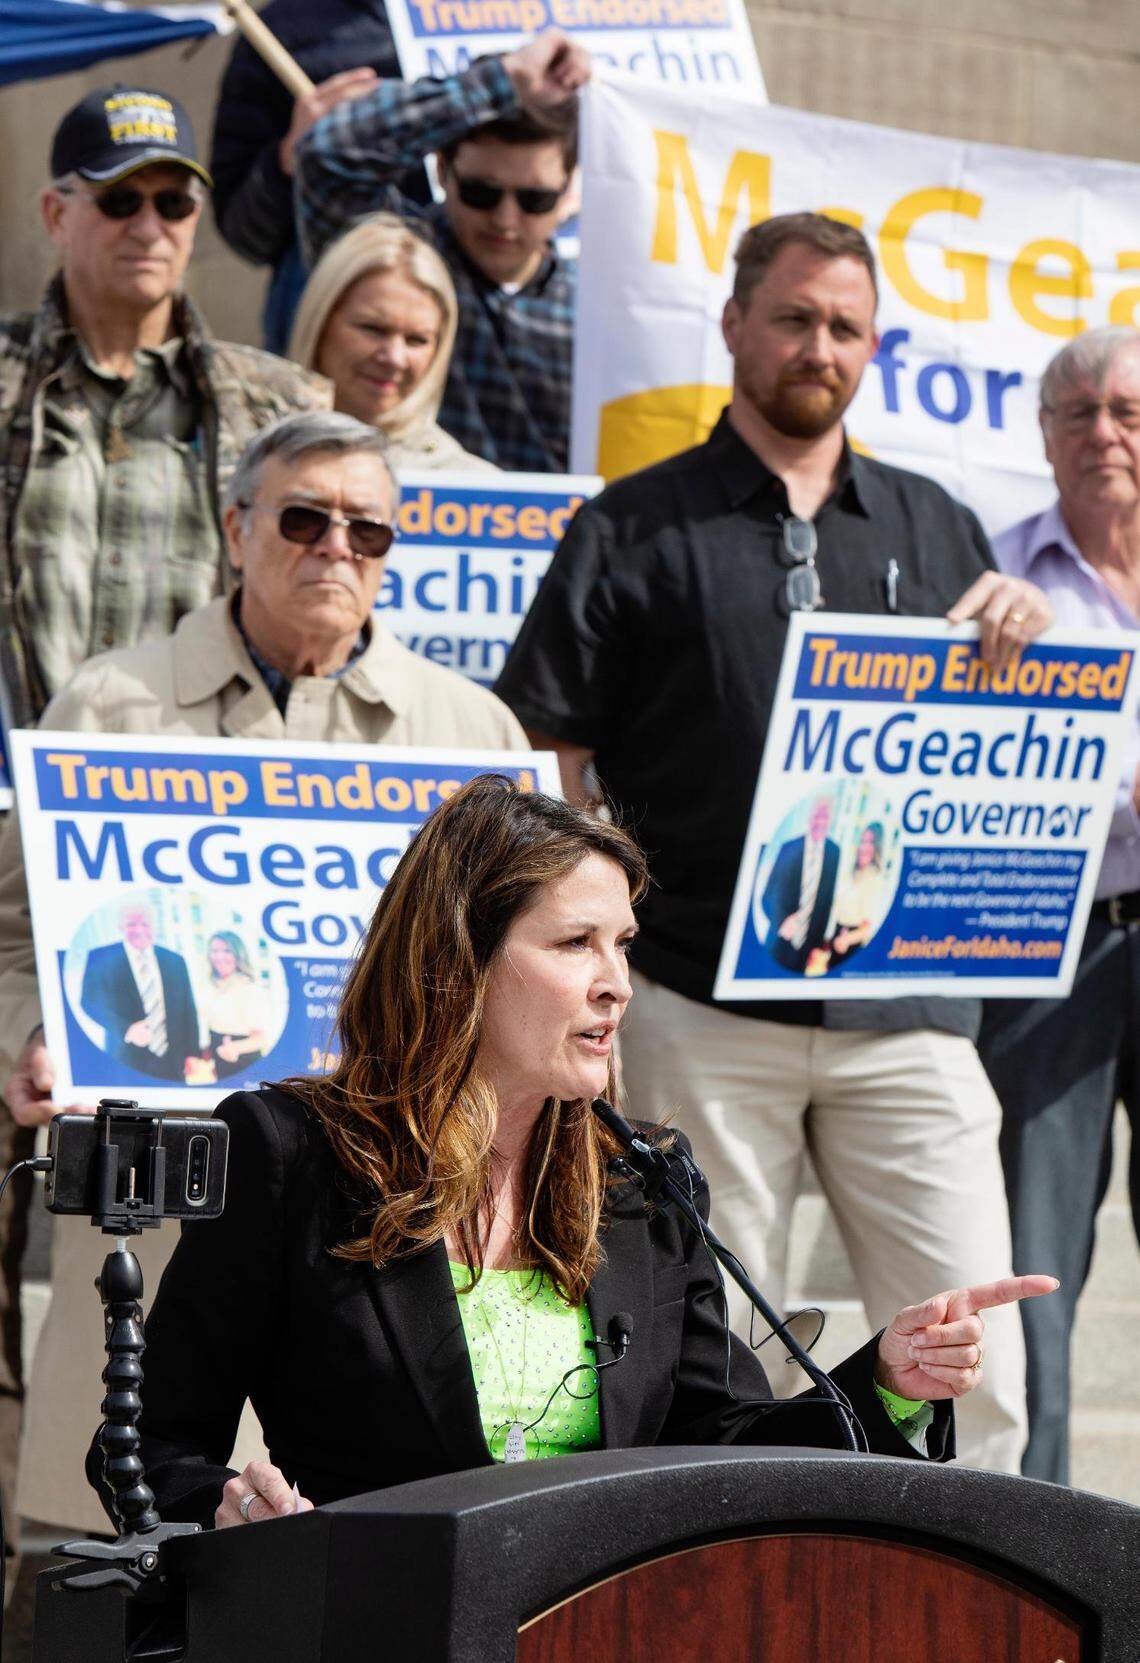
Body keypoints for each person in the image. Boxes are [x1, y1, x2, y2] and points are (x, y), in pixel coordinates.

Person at [107, 776, 1056, 1529]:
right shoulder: (292, 1155)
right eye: (575, 943)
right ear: (458, 960)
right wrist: (226, 1510)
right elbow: (150, 1448)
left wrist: (889, 1376)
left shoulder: (643, 1179)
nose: (616, 984)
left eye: (624, 945)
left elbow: (723, 1450)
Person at [495, 211, 1056, 1474]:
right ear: (737, 324)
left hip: (907, 1013)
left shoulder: (937, 522)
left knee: (981, 1355)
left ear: (873, 349)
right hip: (701, 1006)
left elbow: (998, 749)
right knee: (718, 1361)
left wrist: (1028, 628)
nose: (819, 345)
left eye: (845, 327)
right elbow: (545, 757)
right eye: (794, 317)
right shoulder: (630, 526)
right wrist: (594, 970)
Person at [0, 410, 528, 1535]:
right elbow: (13, 937)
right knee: (110, 1519)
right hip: (156, 1182)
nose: (336, 546)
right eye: (303, 517)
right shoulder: (111, 706)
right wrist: (27, 1040)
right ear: (237, 529)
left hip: (368, 1202)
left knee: (337, 1550)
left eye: (368, 529)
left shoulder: (468, 729)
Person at [0, 83, 331, 733]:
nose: (149, 228)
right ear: (55, 214)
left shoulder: (279, 404)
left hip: (181, 796)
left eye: (174, 203)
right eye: (120, 200)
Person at [981, 325, 1140, 1484]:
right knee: (1034, 1266)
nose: (1103, 433)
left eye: (1127, 410)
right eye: (1077, 411)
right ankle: (1044, 1546)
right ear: (1042, 434)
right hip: (1052, 950)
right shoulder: (996, 581)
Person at [294, 30, 589, 473]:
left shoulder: (596, 309)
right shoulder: (398, 258)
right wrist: (504, 82)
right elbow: (331, 153)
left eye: (534, 200)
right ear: (442, 169)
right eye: (481, 193)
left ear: (569, 190)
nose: (505, 221)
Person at [208, 0, 415, 354]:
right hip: (333, 303)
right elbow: (243, 233)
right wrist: (290, 156)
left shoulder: (518, 15)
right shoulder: (281, 31)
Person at [290, 213, 498, 475]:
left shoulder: (472, 487)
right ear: (320, 322)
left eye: (417, 340)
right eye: (373, 329)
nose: (394, 358)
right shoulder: (249, 456)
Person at [79, 900, 200, 1083]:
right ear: (120, 927)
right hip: (124, 1058)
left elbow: (188, 1009)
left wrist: (192, 1053)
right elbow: (89, 1002)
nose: (139, 930)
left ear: (155, 927)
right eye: (131, 924)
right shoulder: (101, 957)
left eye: (145, 924)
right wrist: (126, 1029)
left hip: (173, 1060)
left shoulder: (175, 960)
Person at [762, 796, 840, 972]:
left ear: (831, 821)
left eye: (825, 817)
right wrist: (782, 922)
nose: (820, 821)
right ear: (809, 817)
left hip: (807, 947)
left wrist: (818, 945)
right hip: (779, 939)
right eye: (817, 815)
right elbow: (767, 896)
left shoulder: (834, 852)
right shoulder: (789, 848)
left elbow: (826, 902)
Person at [204, 932, 272, 1081]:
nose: (219, 957)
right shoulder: (212, 985)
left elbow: (260, 1038)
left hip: (242, 1062)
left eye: (227, 951)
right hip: (220, 1060)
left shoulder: (249, 989)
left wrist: (234, 1048)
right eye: (214, 951)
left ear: (238, 955)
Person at [826, 821, 888, 969]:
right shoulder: (853, 873)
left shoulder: (874, 878)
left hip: (850, 945)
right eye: (862, 841)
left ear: (877, 847)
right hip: (838, 935)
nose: (864, 847)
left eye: (870, 842)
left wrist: (846, 939)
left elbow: (868, 927)